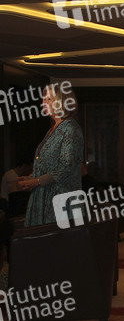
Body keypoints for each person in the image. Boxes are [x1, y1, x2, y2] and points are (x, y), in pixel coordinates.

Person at [18, 85, 84, 227]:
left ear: (63, 101)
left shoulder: (70, 128)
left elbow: (67, 167)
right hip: (46, 196)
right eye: (43, 99)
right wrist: (32, 178)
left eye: (49, 99)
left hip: (62, 200)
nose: (44, 103)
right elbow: (50, 164)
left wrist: (37, 181)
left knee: (58, 240)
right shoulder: (53, 128)